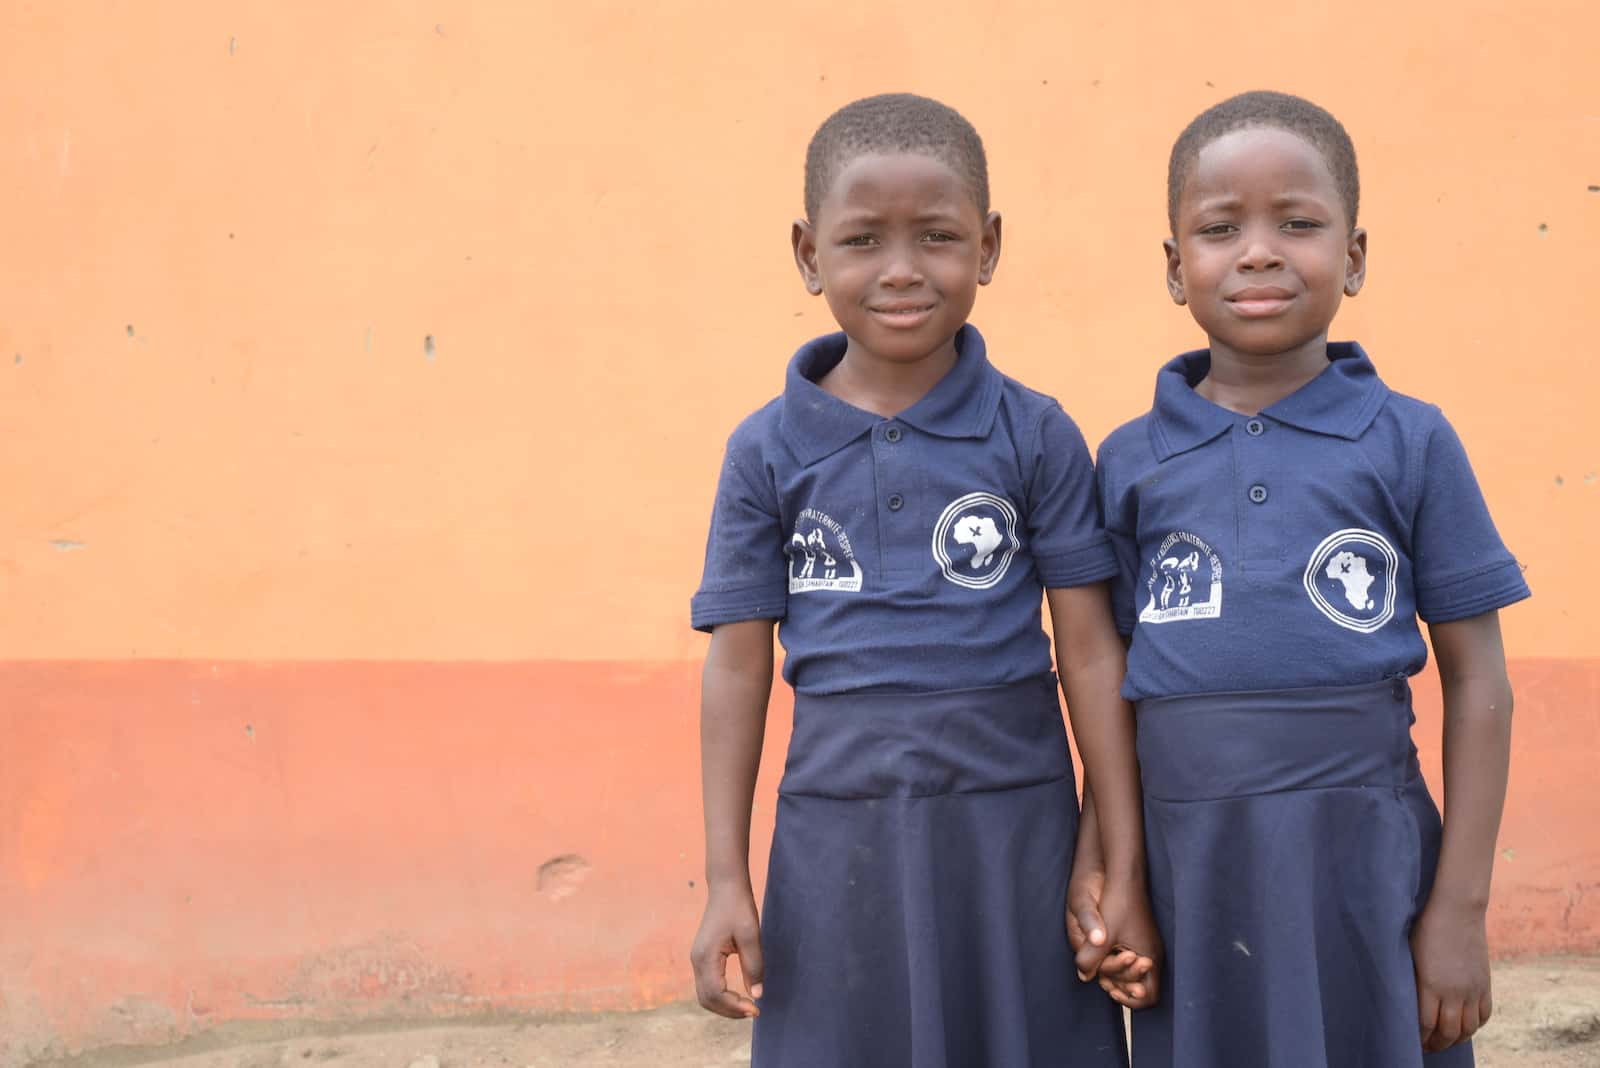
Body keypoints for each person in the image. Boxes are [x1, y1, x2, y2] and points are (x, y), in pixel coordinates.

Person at [688, 92, 1158, 1067]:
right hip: (834, 836)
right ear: (808, 253)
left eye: (937, 236)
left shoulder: (1034, 433)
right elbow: (737, 670)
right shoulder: (765, 453)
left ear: (986, 247)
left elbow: (1087, 648)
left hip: (1014, 831)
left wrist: (1114, 844)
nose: (901, 270)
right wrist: (726, 877)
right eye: (862, 239)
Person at [1082, 90, 1530, 1066]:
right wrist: (1110, 869)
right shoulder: (1126, 463)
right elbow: (1106, 689)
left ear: (1355, 256)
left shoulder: (1410, 440)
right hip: (1189, 863)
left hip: (1362, 853)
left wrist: (1458, 908)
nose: (1257, 251)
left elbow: (1479, 683)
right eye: (1218, 227)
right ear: (1173, 268)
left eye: (1297, 222)